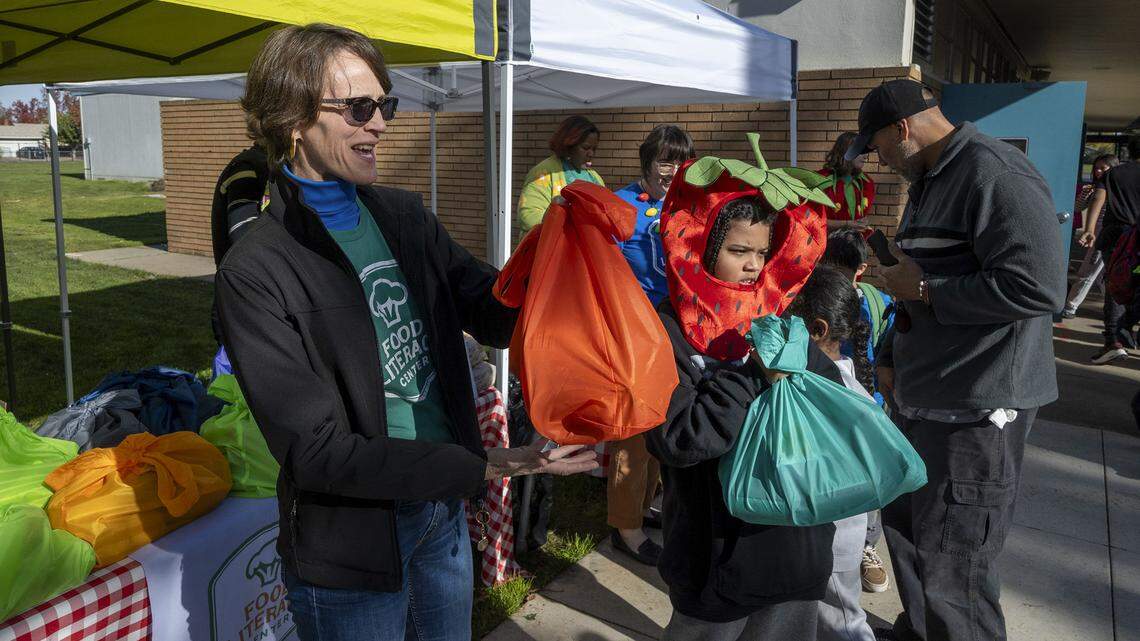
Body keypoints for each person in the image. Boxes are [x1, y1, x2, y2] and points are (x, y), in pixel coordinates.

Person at [215, 24, 598, 641]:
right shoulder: (257, 269)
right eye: (360, 108)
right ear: (292, 119)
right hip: (351, 551)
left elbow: (496, 314)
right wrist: (486, 465)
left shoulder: (403, 217)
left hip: (440, 518)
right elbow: (316, 454)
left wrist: (558, 251)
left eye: (385, 104)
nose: (381, 124)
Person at [847, 79, 1065, 641]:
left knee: (955, 563)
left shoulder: (996, 175)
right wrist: (893, 351)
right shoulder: (929, 179)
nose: (881, 161)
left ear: (902, 129)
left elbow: (1039, 289)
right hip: (925, 396)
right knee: (911, 538)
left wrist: (926, 290)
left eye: (878, 148)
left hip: (977, 407)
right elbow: (913, 275)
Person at [649, 185, 841, 639]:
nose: (754, 265)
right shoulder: (666, 330)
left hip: (793, 550)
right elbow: (680, 439)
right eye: (738, 250)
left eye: (762, 251)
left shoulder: (782, 320)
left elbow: (829, 409)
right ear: (700, 248)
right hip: (713, 557)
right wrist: (754, 376)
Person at [604, 125, 695, 565]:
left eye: (680, 161)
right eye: (664, 159)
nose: (672, 169)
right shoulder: (620, 205)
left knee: (664, 417)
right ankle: (626, 526)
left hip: (672, 330)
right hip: (632, 329)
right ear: (646, 161)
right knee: (634, 430)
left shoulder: (684, 206)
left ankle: (644, 504)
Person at [787, 264, 876, 641]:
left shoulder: (831, 393)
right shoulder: (844, 384)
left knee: (845, 625)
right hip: (829, 535)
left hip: (834, 540)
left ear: (816, 330)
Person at [819, 227, 894, 595]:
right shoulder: (817, 298)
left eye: (843, 269)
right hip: (828, 406)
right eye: (827, 265)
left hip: (869, 406)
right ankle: (827, 539)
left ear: (861, 269)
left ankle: (865, 545)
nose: (834, 275)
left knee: (870, 482)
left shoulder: (878, 303)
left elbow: (894, 346)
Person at [1081, 135, 1140, 364]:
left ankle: (1113, 341)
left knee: (1117, 285)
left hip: (1117, 236)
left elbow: (1098, 198)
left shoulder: (1113, 174)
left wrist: (1089, 229)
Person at [517, 115, 604, 232]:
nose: (591, 153)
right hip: (555, 246)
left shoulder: (594, 177)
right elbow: (527, 217)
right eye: (586, 148)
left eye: (594, 149)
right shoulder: (543, 173)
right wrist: (554, 213)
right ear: (568, 146)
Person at [1064, 154, 1119, 324]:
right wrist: (1084, 195)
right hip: (1098, 236)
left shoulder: (1117, 188)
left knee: (1091, 272)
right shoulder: (1095, 188)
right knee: (1100, 272)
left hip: (1108, 236)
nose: (1098, 171)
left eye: (1103, 167)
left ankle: (1071, 306)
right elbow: (1077, 208)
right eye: (1096, 168)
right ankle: (1113, 310)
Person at [820, 132, 876, 230]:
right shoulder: (821, 180)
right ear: (846, 151)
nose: (866, 156)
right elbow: (814, 221)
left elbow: (862, 217)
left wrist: (862, 222)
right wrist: (847, 224)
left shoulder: (866, 183)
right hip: (828, 243)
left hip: (854, 242)